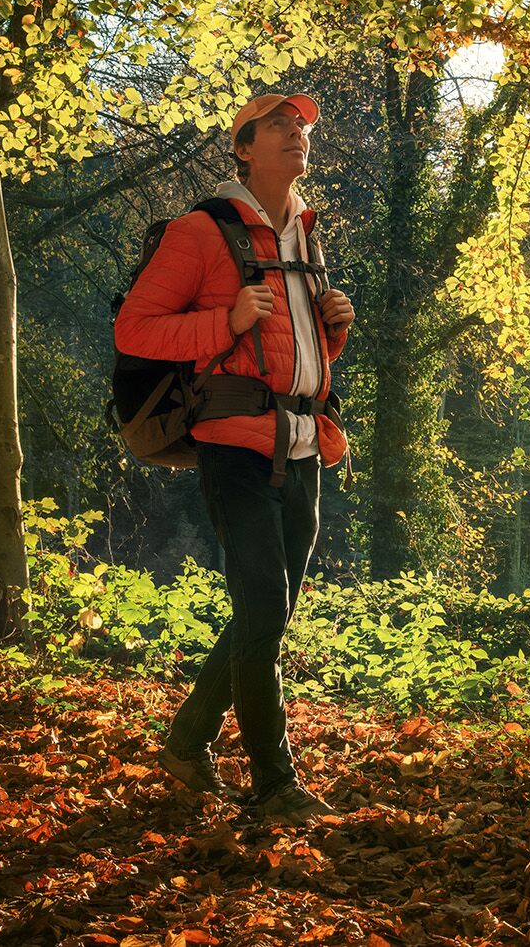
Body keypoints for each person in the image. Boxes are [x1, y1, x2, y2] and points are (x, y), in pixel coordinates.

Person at [113, 92, 354, 824]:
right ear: (243, 148)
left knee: (266, 615)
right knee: (262, 608)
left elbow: (292, 352)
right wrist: (226, 318)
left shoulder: (305, 235)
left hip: (306, 445)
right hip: (235, 444)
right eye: (279, 125)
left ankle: (188, 739)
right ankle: (275, 784)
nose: (296, 133)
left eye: (302, 126)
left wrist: (332, 331)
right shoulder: (200, 231)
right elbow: (136, 328)